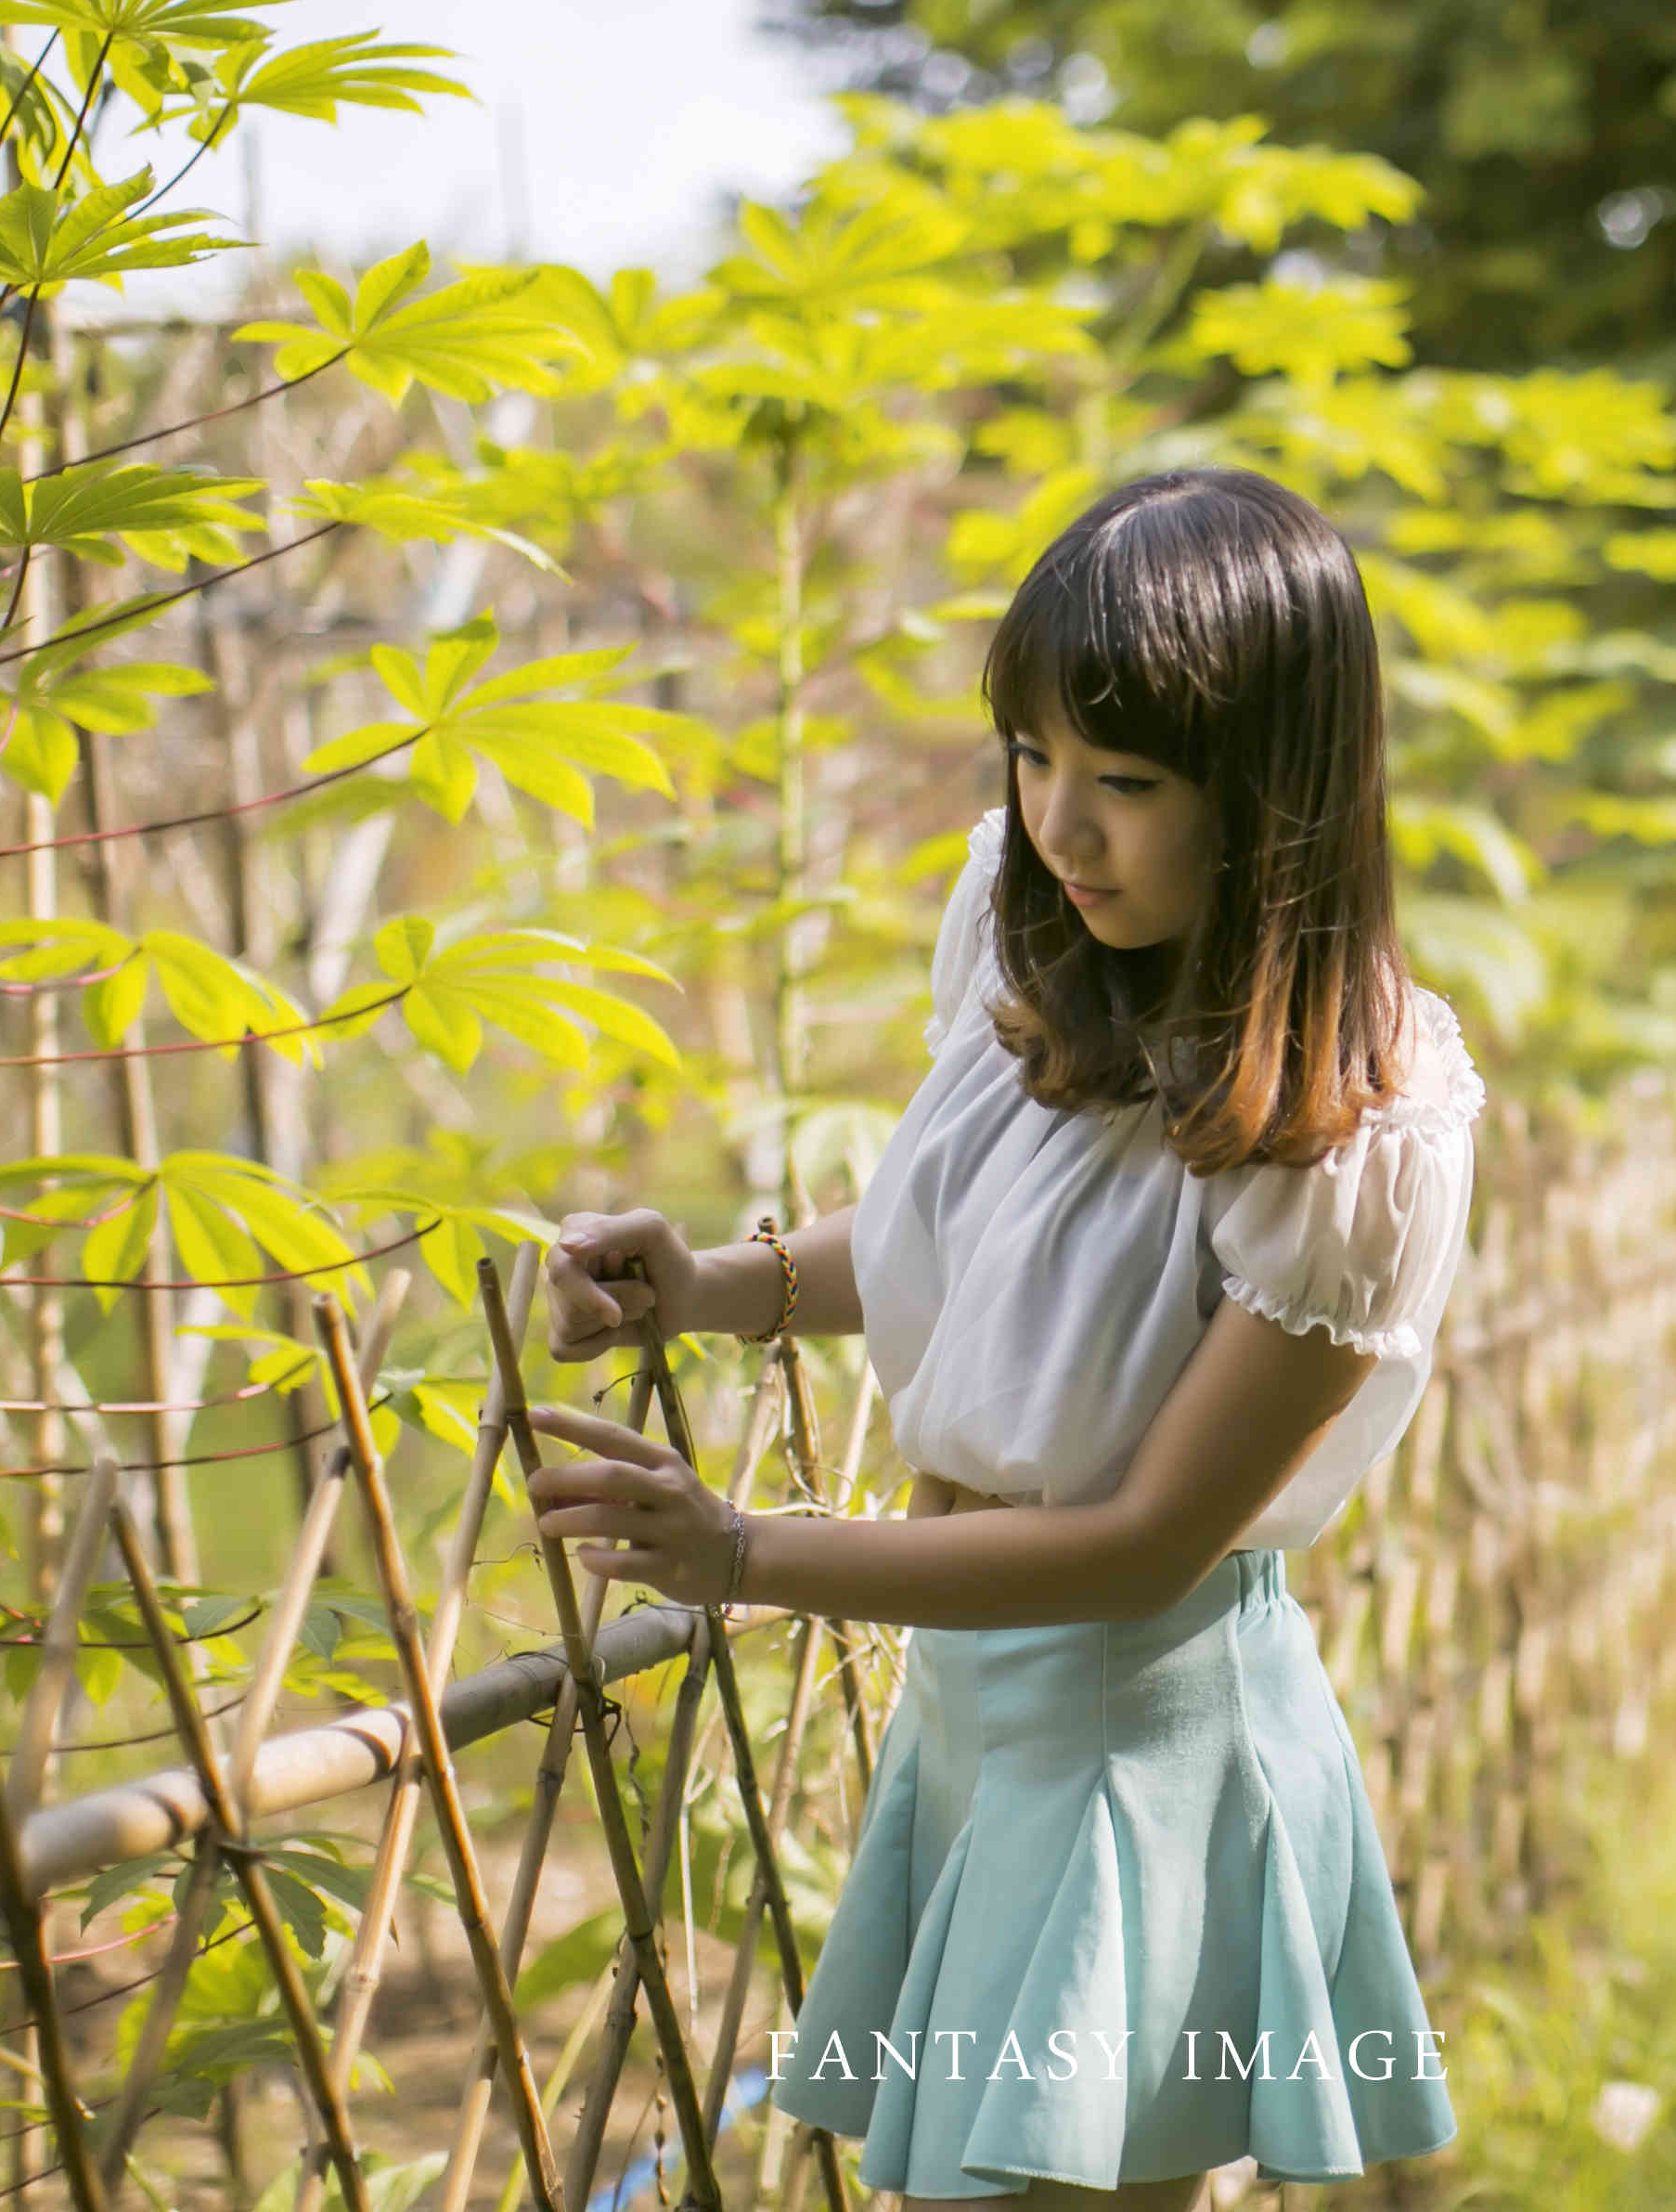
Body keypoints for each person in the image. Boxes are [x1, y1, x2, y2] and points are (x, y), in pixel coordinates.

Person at [526, 467, 1485, 2209]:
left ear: (1272, 800)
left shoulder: (1361, 1126)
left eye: (1126, 780)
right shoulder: (1036, 939)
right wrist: (715, 1282)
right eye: (1033, 757)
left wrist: (743, 1551)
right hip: (976, 1702)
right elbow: (976, 1252)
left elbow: (1139, 1551)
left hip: (1138, 1740)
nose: (1062, 823)